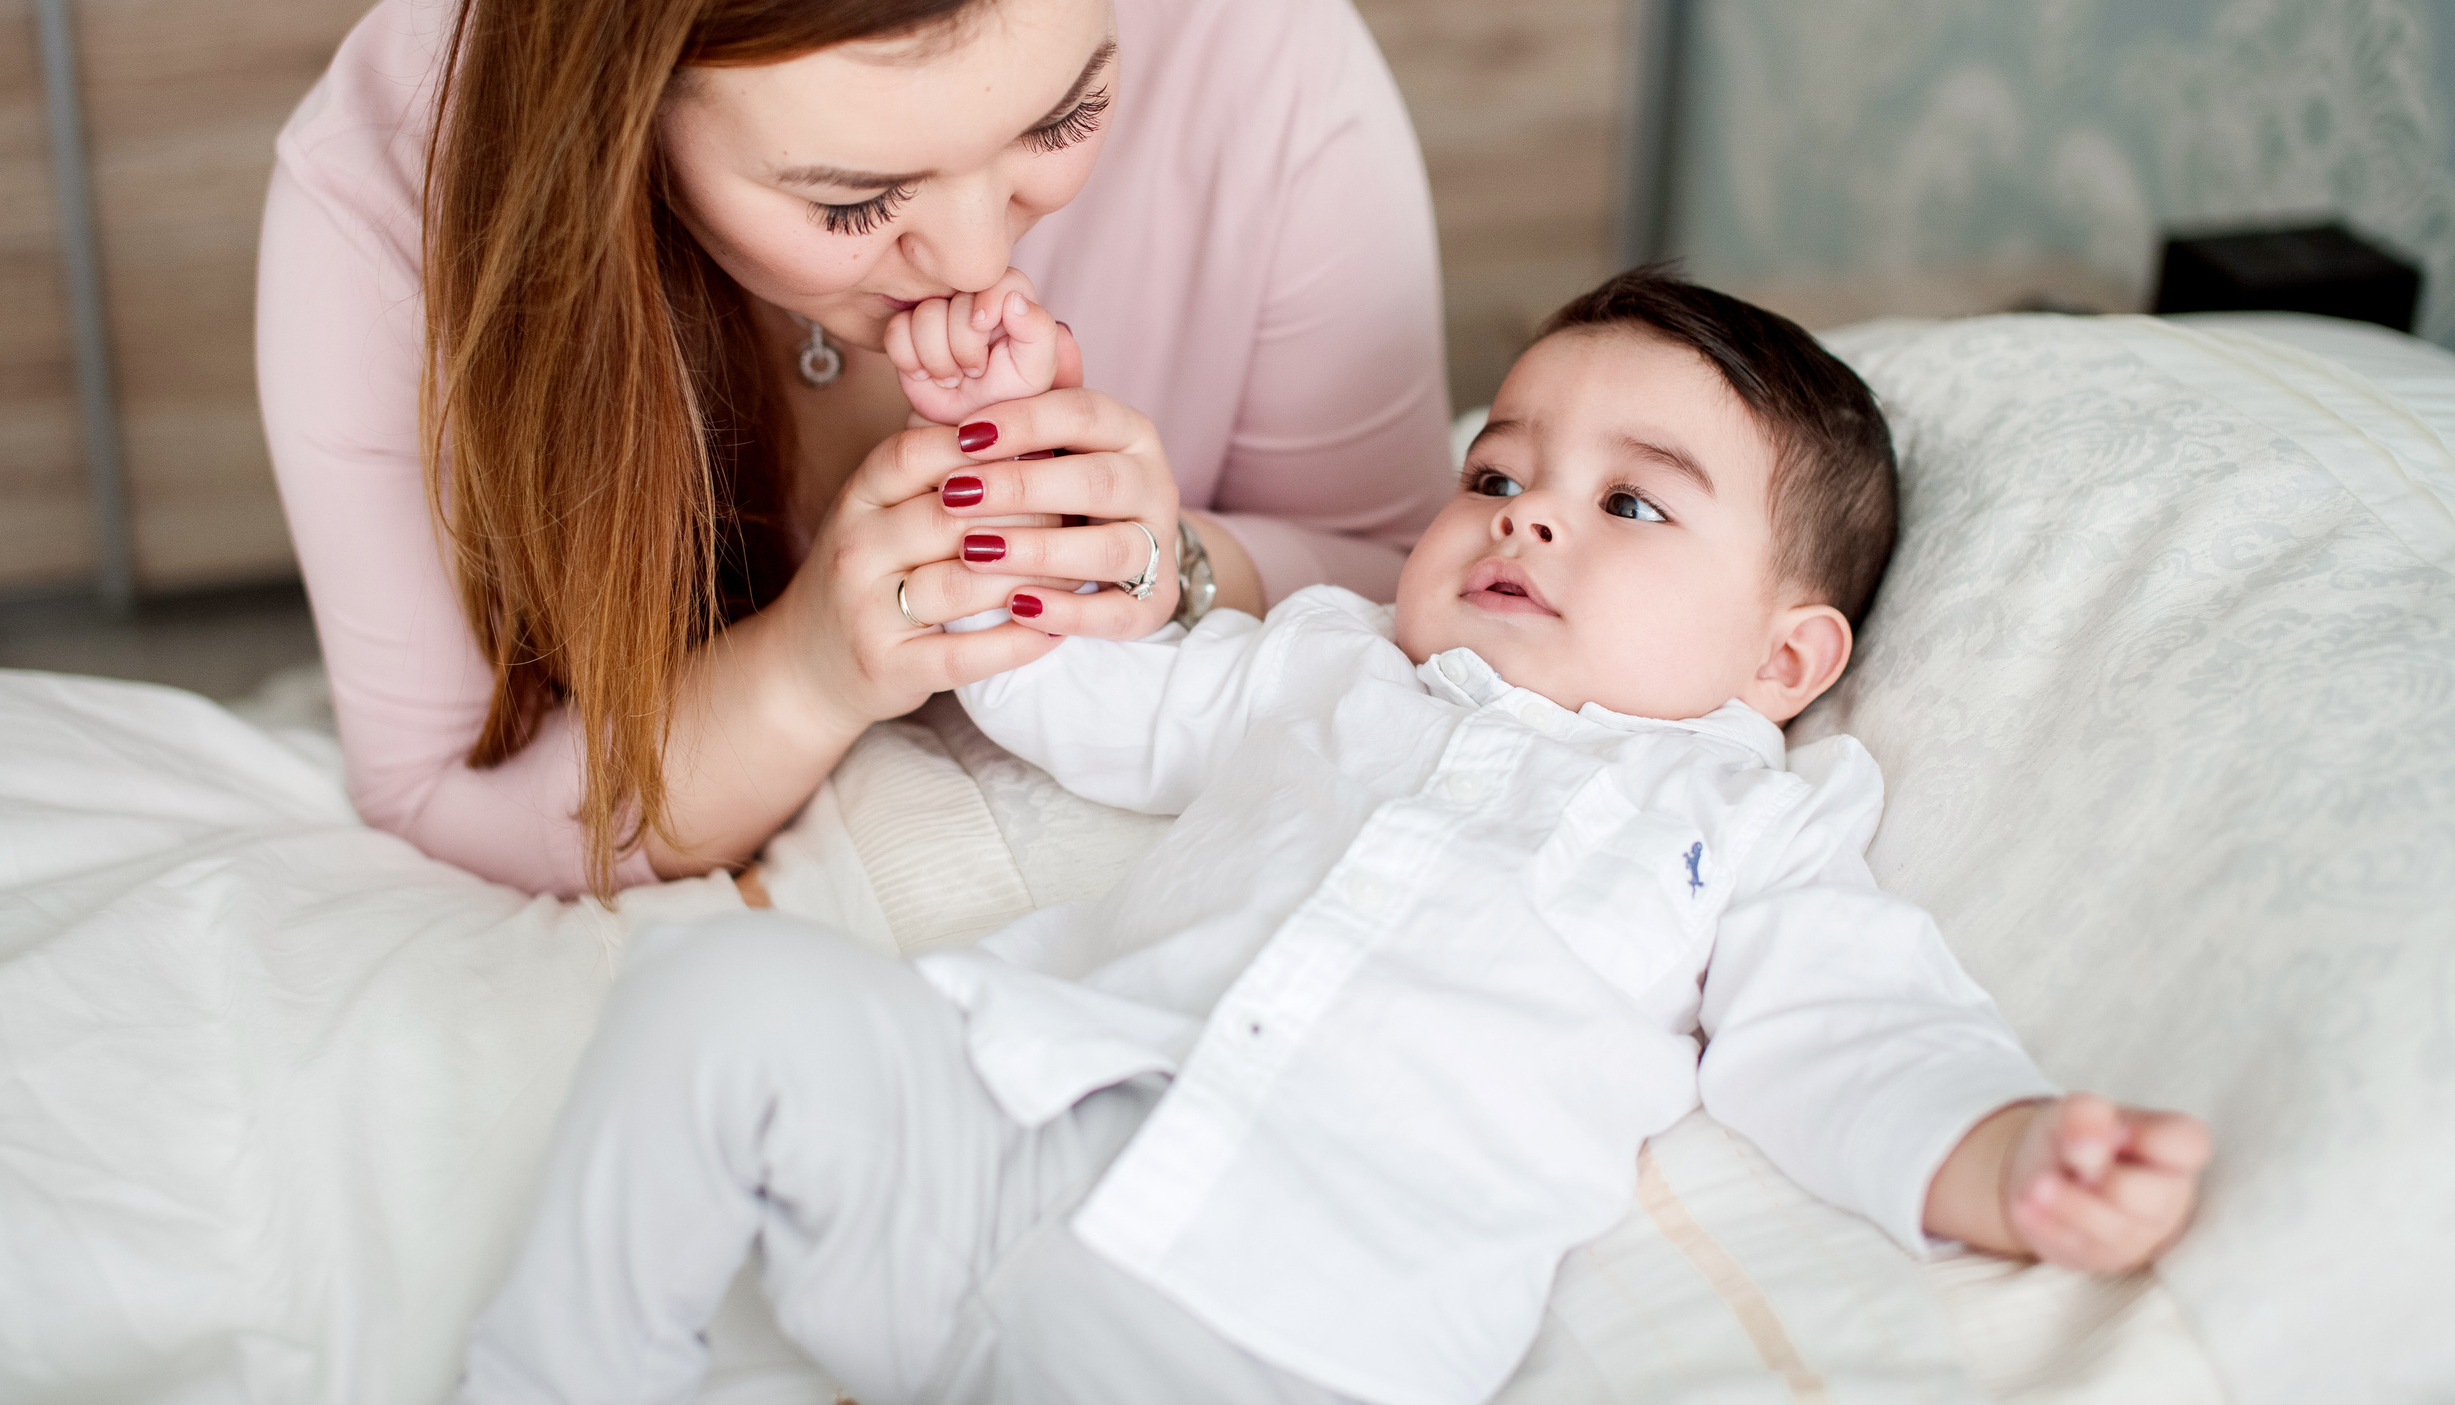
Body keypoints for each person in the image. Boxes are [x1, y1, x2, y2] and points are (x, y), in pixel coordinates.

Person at [454, 268, 2216, 1405]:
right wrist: (992, 446)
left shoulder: (1746, 822)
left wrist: (2003, 1151)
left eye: (1628, 501)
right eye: (1499, 469)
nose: (1526, 514)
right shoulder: (1327, 667)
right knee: (727, 996)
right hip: (1014, 1137)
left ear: (1783, 655)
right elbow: (1072, 689)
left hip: (1276, 1322)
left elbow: (1851, 1029)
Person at [254, 0, 1452, 899]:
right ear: (626, 118)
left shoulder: (1258, 40)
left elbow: (1403, 570)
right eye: (855, 202)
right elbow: (439, 799)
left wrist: (1175, 561)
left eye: (1064, 119)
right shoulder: (382, 194)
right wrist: (807, 671)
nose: (979, 261)